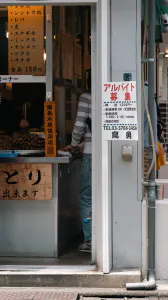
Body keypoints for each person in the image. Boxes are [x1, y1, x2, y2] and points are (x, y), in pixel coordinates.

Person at [65, 70, 92, 253]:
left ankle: (90, 239)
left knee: (86, 197)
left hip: (91, 156)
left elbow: (79, 125)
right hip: (111, 153)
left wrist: (74, 144)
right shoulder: (112, 94)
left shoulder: (87, 97)